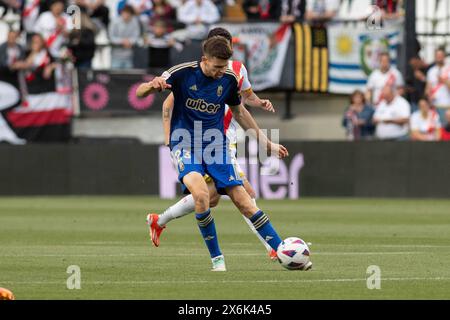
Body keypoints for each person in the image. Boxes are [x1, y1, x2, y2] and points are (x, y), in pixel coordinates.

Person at [136, 36, 306, 272]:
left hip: (216, 146)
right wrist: (151, 86)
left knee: (244, 200)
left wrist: (267, 142)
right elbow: (140, 93)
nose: (220, 72)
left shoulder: (229, 79)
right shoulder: (182, 73)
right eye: (216, 67)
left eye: (224, 67)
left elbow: (240, 113)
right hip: (184, 143)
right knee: (202, 195)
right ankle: (218, 260)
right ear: (204, 60)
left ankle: (282, 253)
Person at [108, 4, 141, 69]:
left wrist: (129, 41)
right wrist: (122, 41)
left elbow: (136, 37)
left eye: (128, 13)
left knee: (128, 77)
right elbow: (111, 37)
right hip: (116, 56)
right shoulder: (114, 22)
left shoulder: (135, 22)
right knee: (115, 76)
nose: (126, 15)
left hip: (129, 56)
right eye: (125, 13)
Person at [425, 48, 450, 126]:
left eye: (441, 55)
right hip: (434, 107)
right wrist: (428, 95)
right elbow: (427, 88)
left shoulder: (448, 69)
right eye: (437, 55)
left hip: (447, 106)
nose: (439, 57)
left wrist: (444, 81)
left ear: (444, 56)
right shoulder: (431, 71)